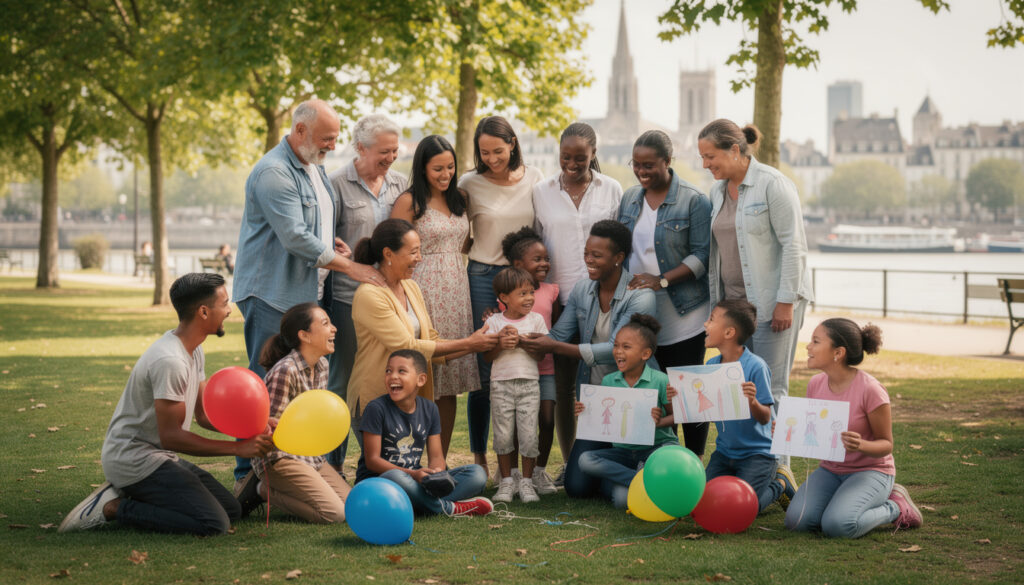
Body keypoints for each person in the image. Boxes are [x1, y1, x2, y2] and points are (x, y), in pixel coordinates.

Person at [232, 99, 383, 494]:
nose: (333, 146)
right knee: (262, 384)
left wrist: (330, 242)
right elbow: (295, 237)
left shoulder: (312, 166)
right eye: (326, 138)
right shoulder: (273, 172)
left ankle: (297, 466)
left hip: (305, 293)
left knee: (302, 386)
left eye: (335, 139)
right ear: (300, 131)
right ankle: (247, 478)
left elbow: (311, 226)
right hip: (272, 293)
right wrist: (352, 268)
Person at [59, 273, 274, 535]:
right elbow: (172, 437)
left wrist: (256, 428)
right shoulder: (170, 360)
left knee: (230, 509)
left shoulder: (193, 348)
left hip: (159, 456)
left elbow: (204, 415)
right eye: (225, 303)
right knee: (214, 524)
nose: (230, 311)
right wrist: (238, 449)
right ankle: (112, 507)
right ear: (204, 312)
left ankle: (141, 495)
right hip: (133, 459)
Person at [698, 119, 813, 473]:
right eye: (702, 158)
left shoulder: (773, 185)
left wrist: (785, 301)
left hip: (773, 304)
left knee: (773, 389)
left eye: (710, 156)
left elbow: (794, 247)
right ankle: (744, 462)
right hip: (734, 307)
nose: (706, 165)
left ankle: (781, 471)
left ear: (735, 150)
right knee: (735, 388)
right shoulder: (717, 192)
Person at [518, 220, 656, 499]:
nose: (588, 260)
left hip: (633, 398)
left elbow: (618, 351)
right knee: (576, 487)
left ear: (618, 258)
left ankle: (631, 472)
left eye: (597, 255)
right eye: (587, 253)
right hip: (597, 402)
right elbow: (559, 334)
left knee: (604, 487)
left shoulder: (641, 295)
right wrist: (518, 331)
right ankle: (619, 475)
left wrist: (554, 346)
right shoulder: (583, 290)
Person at [347, 219, 499, 444]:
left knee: (413, 475)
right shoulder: (370, 295)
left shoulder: (411, 286)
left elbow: (430, 341)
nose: (419, 258)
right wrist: (469, 344)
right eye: (414, 252)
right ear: (388, 253)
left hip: (408, 400)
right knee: (394, 477)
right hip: (376, 401)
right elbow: (408, 347)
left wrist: (481, 342)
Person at [532, 122, 622, 481]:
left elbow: (620, 242)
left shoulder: (612, 189)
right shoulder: (541, 191)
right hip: (560, 299)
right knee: (566, 386)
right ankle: (570, 464)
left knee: (604, 380)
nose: (571, 163)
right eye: (565, 156)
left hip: (604, 299)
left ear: (594, 155)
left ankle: (607, 458)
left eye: (580, 158)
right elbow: (536, 246)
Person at [619, 129, 713, 458]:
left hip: (684, 312)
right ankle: (668, 457)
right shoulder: (629, 198)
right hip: (643, 313)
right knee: (659, 391)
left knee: (687, 389)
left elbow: (702, 256)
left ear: (667, 161)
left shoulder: (694, 199)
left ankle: (695, 459)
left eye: (649, 165)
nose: (642, 172)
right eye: (636, 164)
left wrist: (660, 280)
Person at [460, 116, 545, 477]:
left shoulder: (535, 178)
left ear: (512, 142)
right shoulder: (469, 183)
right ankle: (483, 460)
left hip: (523, 277)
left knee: (523, 356)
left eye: (498, 150)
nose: (492, 158)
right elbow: (457, 230)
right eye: (484, 152)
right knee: (486, 368)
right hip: (482, 276)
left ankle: (520, 464)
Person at [785, 319, 922, 538]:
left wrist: (861, 445)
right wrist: (786, 430)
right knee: (797, 521)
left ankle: (895, 507)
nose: (808, 346)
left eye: (816, 341)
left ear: (837, 353)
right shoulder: (816, 384)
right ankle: (839, 502)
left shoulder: (871, 390)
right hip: (830, 470)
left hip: (871, 471)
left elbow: (886, 445)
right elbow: (815, 433)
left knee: (838, 525)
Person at [327, 114, 407, 472]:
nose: (390, 157)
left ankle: (380, 461)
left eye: (395, 150)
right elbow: (324, 241)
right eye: (383, 151)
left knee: (384, 379)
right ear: (360, 147)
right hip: (348, 300)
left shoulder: (400, 185)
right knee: (343, 383)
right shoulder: (335, 186)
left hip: (390, 300)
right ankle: (331, 464)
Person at [391, 135, 478, 458]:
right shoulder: (410, 202)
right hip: (422, 288)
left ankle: (438, 458)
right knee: (421, 376)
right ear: (422, 168)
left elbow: (465, 241)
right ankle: (409, 456)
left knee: (448, 383)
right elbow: (393, 248)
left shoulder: (461, 199)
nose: (445, 174)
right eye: (437, 168)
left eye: (450, 167)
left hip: (457, 288)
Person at [683, 299, 795, 513]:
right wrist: (680, 396)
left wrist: (752, 401)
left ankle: (780, 483)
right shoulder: (711, 366)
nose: (705, 324)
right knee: (701, 506)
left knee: (743, 509)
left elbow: (765, 418)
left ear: (729, 333)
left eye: (712, 320)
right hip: (724, 454)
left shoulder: (755, 366)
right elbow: (703, 410)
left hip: (757, 455)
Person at [357, 350, 494, 517]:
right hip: (380, 484)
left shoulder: (430, 409)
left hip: (415, 481)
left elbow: (436, 456)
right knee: (395, 476)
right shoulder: (376, 409)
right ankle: (449, 508)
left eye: (401, 371)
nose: (392, 376)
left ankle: (420, 504)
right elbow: (372, 461)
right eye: (388, 371)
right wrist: (414, 474)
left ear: (421, 379)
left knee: (477, 474)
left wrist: (437, 474)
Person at [252, 302, 350, 524]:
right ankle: (265, 490)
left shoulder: (323, 365)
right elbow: (269, 429)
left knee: (351, 505)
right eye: (325, 323)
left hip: (311, 455)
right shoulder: (286, 371)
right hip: (280, 457)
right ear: (304, 335)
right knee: (335, 515)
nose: (334, 328)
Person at [576, 314, 678, 509]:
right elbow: (601, 419)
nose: (618, 352)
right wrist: (584, 410)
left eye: (626, 347)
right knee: (586, 460)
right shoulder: (609, 381)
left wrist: (660, 422)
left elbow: (676, 417)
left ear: (645, 354)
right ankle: (644, 480)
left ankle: (644, 479)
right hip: (623, 453)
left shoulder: (660, 380)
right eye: (616, 346)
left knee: (623, 499)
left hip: (656, 449)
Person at [500, 227, 559, 494]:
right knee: (513, 422)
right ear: (518, 264)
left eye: (546, 258)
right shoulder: (506, 294)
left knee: (546, 419)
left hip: (545, 367)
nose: (544, 263)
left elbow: (553, 327)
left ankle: (538, 471)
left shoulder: (551, 291)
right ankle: (512, 474)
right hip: (516, 368)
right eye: (537, 259)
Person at [482, 267, 548, 503]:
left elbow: (541, 355)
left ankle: (527, 483)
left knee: (529, 435)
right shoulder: (494, 322)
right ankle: (507, 482)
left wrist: (520, 341)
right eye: (522, 293)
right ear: (504, 298)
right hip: (501, 386)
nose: (529, 298)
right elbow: (488, 357)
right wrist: (501, 343)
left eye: (531, 292)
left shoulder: (536, 320)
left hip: (529, 385)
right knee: (503, 435)